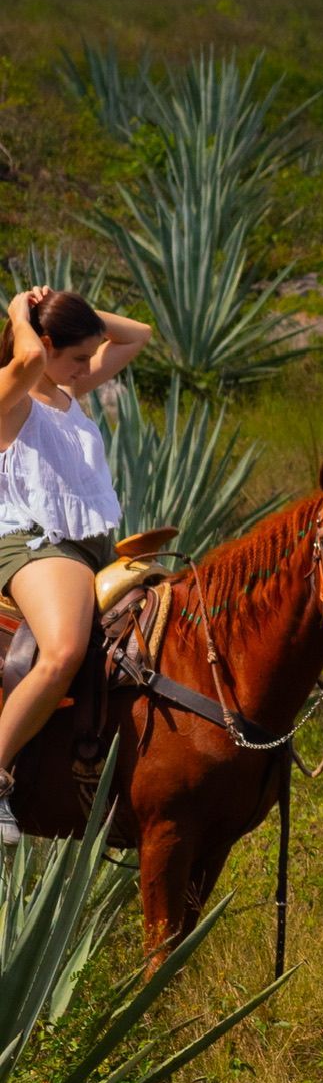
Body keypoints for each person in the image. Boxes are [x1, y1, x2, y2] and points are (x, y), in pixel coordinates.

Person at [0, 284, 153, 845]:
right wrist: (21, 309)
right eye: (78, 356)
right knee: (63, 651)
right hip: (34, 541)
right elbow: (30, 359)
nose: (89, 366)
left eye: (89, 356)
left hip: (88, 545)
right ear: (41, 344)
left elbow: (138, 334)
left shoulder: (68, 388)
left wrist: (64, 303)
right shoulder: (11, 392)